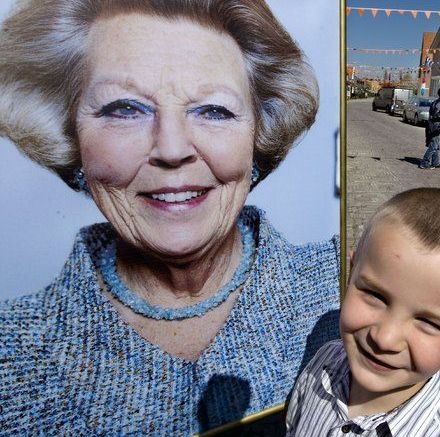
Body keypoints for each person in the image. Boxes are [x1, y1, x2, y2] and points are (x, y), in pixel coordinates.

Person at [0, 1, 339, 434]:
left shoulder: (349, 286)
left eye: (213, 110)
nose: (172, 148)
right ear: (70, 137)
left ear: (258, 135)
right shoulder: (11, 352)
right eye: (125, 109)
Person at [287, 188, 440, 436]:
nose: (385, 338)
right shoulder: (323, 361)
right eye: (375, 295)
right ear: (350, 275)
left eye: (428, 322)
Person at [420, 87, 440, 169]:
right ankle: (424, 163)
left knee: (436, 145)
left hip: (436, 127)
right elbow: (436, 115)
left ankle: (435, 162)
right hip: (434, 127)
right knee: (433, 146)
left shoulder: (439, 102)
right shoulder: (439, 103)